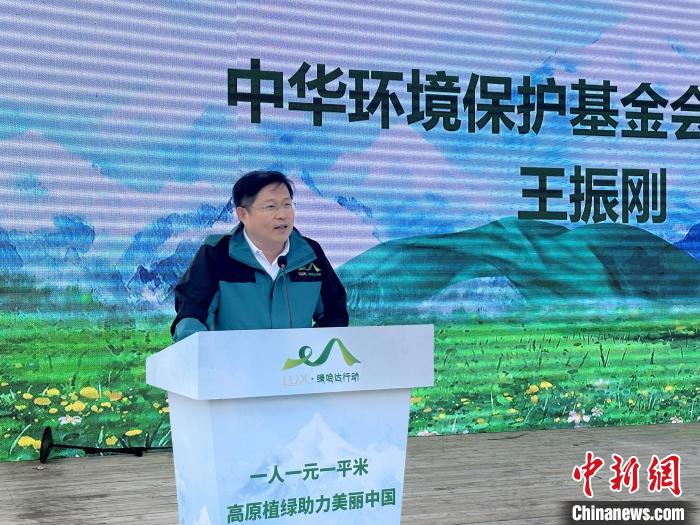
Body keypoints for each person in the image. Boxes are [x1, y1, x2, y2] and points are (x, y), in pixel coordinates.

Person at [171, 170, 349, 341]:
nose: (282, 215)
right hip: (233, 361)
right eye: (271, 206)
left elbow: (335, 313)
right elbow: (191, 315)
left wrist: (314, 350)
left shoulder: (309, 253)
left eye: (287, 205)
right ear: (243, 214)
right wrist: (207, 354)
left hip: (295, 362)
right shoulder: (217, 253)